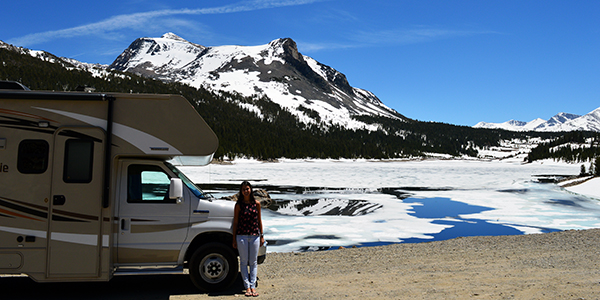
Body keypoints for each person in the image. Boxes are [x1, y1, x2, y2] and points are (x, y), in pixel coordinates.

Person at [232, 181, 265, 297]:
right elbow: (235, 222)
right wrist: (234, 238)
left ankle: (253, 286)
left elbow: (259, 220)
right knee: (243, 262)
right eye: (243, 189)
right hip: (241, 235)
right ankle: (247, 287)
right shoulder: (239, 205)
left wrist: (262, 235)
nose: (246, 191)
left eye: (247, 189)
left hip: (254, 235)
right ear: (241, 192)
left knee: (253, 262)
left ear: (251, 190)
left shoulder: (256, 204)